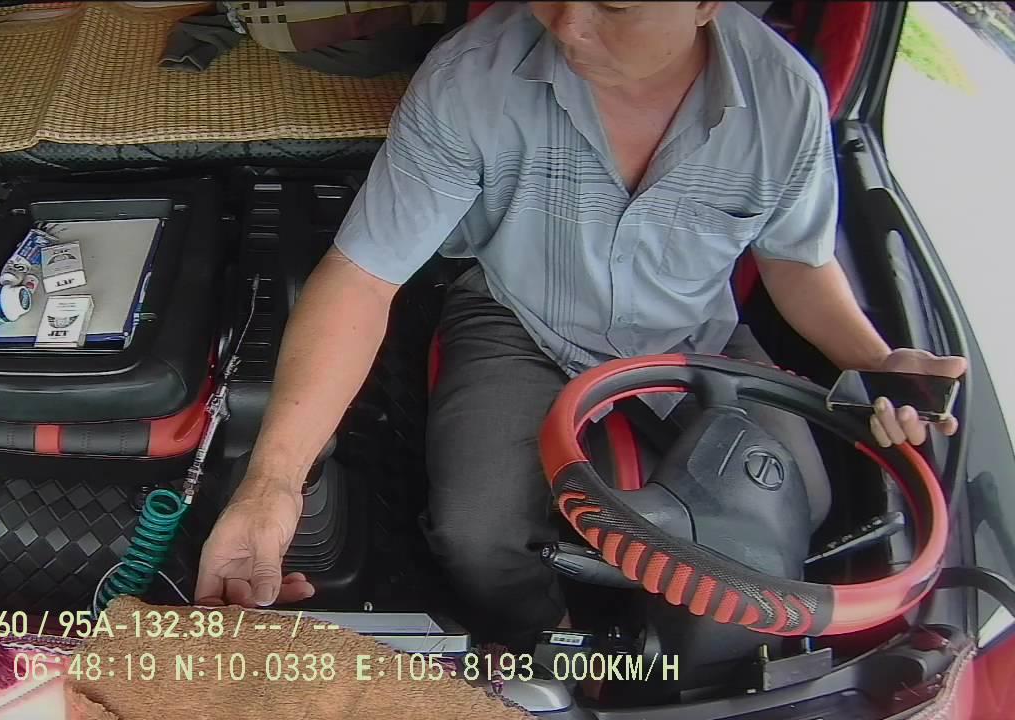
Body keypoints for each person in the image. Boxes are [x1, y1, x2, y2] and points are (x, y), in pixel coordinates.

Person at [194, 1, 967, 650]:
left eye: (616, 5)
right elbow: (364, 275)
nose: (566, 25)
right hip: (518, 318)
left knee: (799, 509)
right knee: (476, 533)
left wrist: (874, 359)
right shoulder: (472, 78)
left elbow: (798, 265)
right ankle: (545, 644)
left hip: (695, 337)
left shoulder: (784, 99)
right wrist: (272, 486)